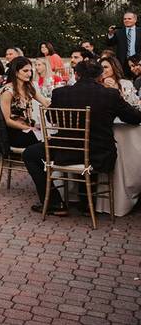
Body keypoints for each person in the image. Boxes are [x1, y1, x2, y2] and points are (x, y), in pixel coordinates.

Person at [23, 58, 141, 216]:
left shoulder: (60, 93)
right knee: (92, 147)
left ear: (76, 75)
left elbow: (52, 119)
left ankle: (54, 202)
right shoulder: (110, 95)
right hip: (98, 154)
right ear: (100, 76)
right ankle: (87, 204)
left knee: (29, 154)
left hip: (63, 152)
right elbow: (133, 118)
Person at [0, 57, 50, 151]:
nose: (29, 74)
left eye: (30, 70)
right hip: (14, 133)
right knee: (47, 139)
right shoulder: (7, 92)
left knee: (51, 135)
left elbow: (45, 102)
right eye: (25, 71)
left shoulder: (28, 87)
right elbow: (8, 121)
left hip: (28, 129)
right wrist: (29, 128)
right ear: (16, 72)